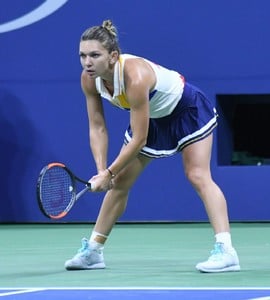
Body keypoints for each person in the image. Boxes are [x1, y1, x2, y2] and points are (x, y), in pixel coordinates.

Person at [64, 20, 240, 273]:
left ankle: (226, 251)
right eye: (82, 55)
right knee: (121, 183)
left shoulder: (134, 76)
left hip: (187, 111)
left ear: (113, 56)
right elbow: (97, 127)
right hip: (152, 119)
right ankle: (93, 251)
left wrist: (108, 173)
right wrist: (103, 171)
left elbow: (139, 139)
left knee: (197, 174)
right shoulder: (89, 80)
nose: (87, 62)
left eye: (94, 55)